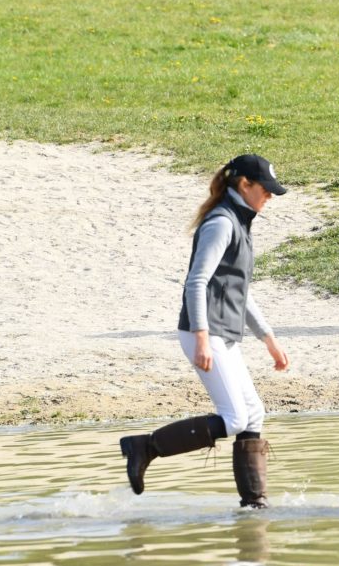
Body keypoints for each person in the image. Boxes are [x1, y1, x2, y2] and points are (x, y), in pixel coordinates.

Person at [120, 154, 291, 509]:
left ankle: (254, 504)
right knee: (234, 418)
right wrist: (200, 336)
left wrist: (268, 339)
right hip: (206, 332)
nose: (269, 197)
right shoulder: (222, 223)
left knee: (253, 414)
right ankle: (144, 447)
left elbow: (239, 292)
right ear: (244, 185)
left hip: (223, 334)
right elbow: (196, 282)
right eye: (266, 190)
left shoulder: (241, 222)